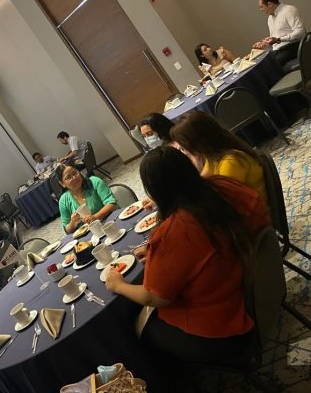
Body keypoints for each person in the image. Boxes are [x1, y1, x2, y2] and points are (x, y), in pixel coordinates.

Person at [106, 147, 269, 366]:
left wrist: (118, 285)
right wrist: (160, 256)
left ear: (155, 190)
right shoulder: (221, 184)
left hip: (223, 327)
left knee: (138, 331)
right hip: (251, 282)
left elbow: (154, 298)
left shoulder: (173, 232)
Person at [170, 111, 266, 200]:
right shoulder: (212, 157)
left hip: (258, 210)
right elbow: (203, 180)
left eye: (183, 147)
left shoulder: (230, 161)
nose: (183, 151)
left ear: (196, 143)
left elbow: (221, 199)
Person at [56, 164, 117, 233]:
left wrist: (94, 217)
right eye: (68, 177)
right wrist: (73, 223)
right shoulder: (63, 200)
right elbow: (67, 230)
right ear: (62, 183)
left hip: (110, 222)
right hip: (89, 234)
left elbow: (111, 204)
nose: (74, 178)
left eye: (75, 173)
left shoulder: (94, 182)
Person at [253, 0, 305, 66]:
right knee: (261, 63)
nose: (261, 10)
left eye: (261, 7)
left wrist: (278, 40)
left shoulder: (289, 10)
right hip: (279, 50)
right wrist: (265, 44)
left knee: (269, 65)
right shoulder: (270, 18)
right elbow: (274, 43)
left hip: (293, 46)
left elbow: (301, 32)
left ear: (269, 4)